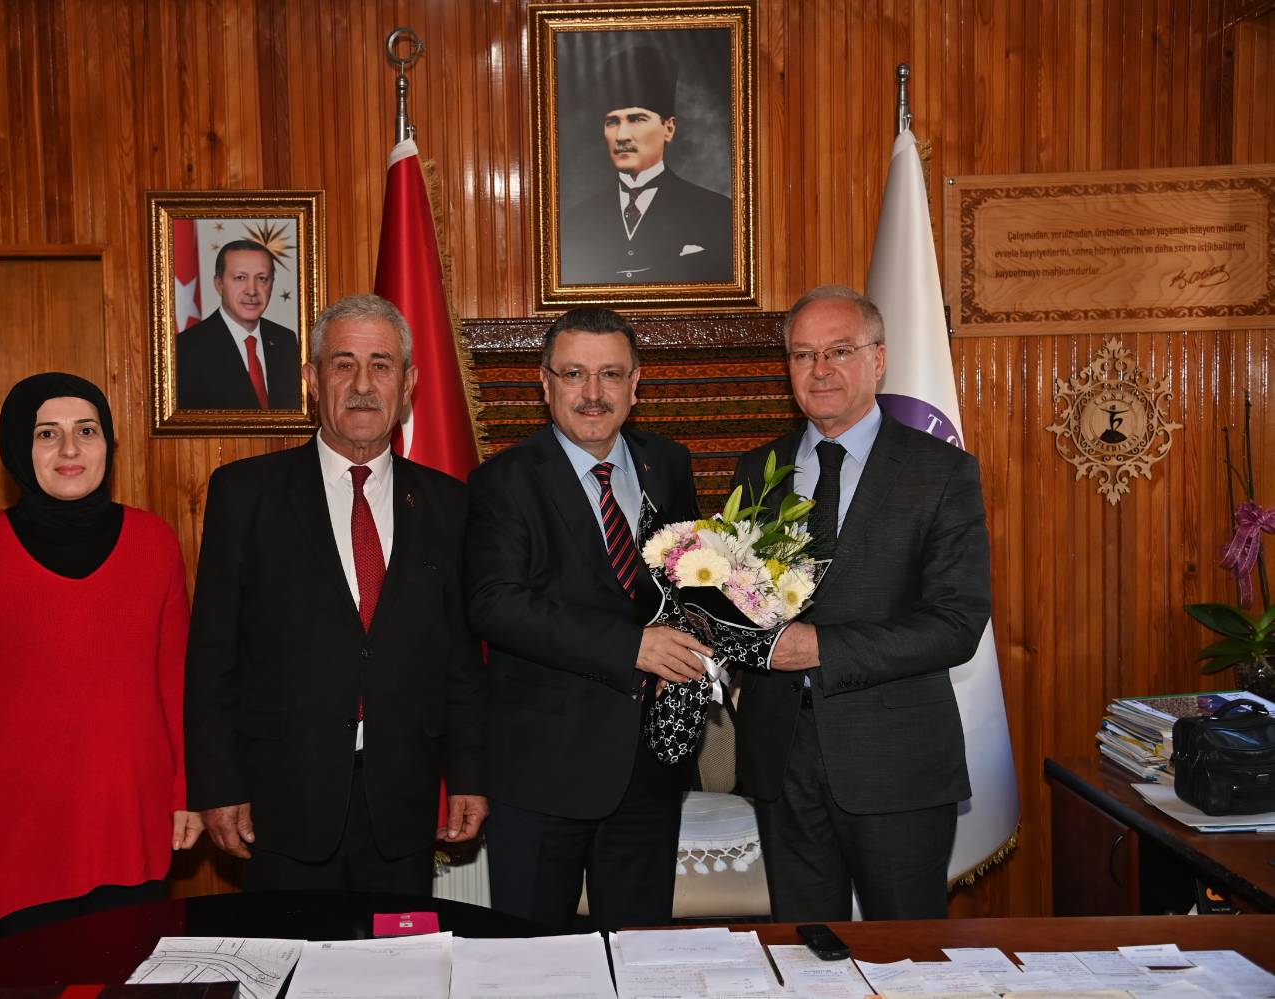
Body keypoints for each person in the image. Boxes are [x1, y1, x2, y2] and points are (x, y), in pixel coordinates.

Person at [184, 293, 487, 894]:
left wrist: (470, 776)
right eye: (344, 364)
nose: (363, 385)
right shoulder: (244, 495)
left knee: (400, 955)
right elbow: (213, 656)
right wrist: (218, 785)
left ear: (409, 384)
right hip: (281, 799)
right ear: (311, 379)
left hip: (403, 801)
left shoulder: (449, 505)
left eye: (382, 365)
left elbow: (461, 660)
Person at [731, 285, 992, 921]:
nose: (820, 370)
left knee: (906, 957)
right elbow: (735, 600)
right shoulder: (758, 469)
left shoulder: (941, 472)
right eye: (803, 355)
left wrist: (820, 648)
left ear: (879, 359)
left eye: (839, 351)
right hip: (780, 757)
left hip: (894, 759)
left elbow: (956, 624)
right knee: (804, 951)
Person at [0, 373, 199, 942]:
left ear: (108, 443)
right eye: (47, 433)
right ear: (18, 448)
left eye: (86, 431)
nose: (70, 449)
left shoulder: (155, 542)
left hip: (133, 826)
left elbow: (178, 685)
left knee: (127, 974)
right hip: (13, 841)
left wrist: (188, 791)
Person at [465, 306, 710, 929]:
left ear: (636, 384)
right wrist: (631, 647)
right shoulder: (503, 481)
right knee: (532, 957)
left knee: (640, 954)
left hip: (650, 766)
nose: (593, 393)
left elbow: (687, 586)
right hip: (544, 772)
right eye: (574, 374)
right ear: (545, 384)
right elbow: (495, 603)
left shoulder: (668, 464)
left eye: (610, 374)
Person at [559, 45, 733, 286]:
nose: (622, 136)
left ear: (668, 128)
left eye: (636, 119)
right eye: (612, 122)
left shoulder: (716, 212)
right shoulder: (579, 221)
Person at [176, 238, 302, 410]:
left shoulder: (285, 340)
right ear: (219, 284)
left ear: (272, 284)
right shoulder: (186, 348)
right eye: (240, 278)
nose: (252, 291)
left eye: (262, 278)